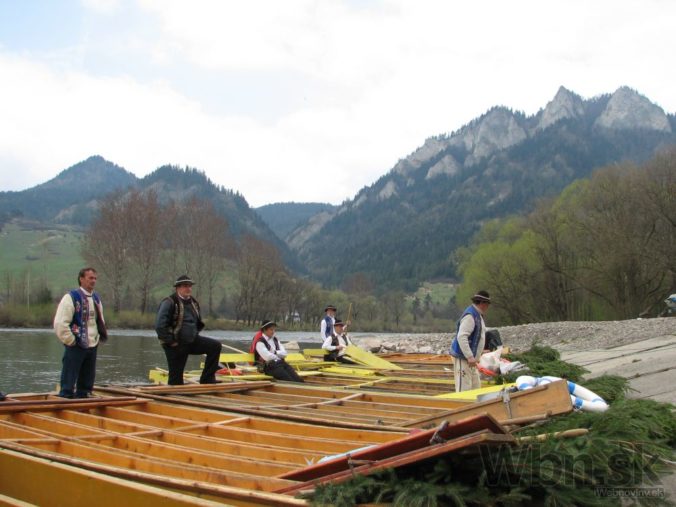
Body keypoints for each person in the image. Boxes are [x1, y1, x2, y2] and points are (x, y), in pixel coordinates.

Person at [155, 275, 222, 385]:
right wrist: (172, 342)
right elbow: (159, 326)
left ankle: (207, 379)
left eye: (190, 286)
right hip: (175, 344)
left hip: (192, 341)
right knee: (176, 380)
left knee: (215, 346)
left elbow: (196, 322)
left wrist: (194, 334)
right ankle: (174, 397)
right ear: (178, 288)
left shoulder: (193, 302)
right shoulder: (169, 302)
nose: (189, 289)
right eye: (185, 286)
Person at [53, 267, 108, 398]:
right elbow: (60, 323)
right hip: (76, 343)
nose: (93, 281)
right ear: (81, 279)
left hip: (92, 344)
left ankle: (83, 399)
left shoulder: (96, 298)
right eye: (90, 278)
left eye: (95, 278)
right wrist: (71, 340)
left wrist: (98, 337)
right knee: (69, 377)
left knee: (87, 378)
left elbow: (99, 320)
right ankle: (65, 399)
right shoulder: (71, 297)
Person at [449, 290, 491, 392]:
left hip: (470, 360)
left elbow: (477, 336)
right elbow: (462, 337)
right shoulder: (470, 316)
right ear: (481, 303)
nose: (488, 306)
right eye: (487, 304)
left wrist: (479, 351)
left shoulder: (477, 315)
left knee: (475, 388)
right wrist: (470, 356)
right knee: (464, 389)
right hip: (463, 358)